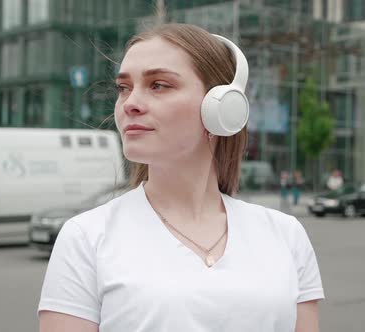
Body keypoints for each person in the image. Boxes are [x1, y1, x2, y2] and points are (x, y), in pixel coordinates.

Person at [38, 24, 324, 332]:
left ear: (222, 106)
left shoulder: (285, 235)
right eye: (124, 88)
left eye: (158, 85)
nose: (130, 103)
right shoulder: (86, 238)